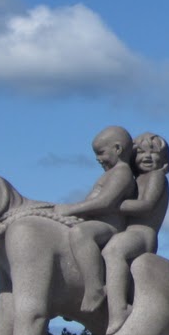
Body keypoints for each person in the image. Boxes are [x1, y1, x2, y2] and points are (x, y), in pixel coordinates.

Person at [54, 126, 138, 313]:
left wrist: (71, 209)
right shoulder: (109, 174)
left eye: (101, 153)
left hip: (109, 226)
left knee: (80, 233)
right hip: (97, 223)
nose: (97, 159)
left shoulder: (122, 172)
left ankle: (95, 288)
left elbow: (106, 202)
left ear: (118, 149)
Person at [101, 131, 169, 333]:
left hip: (143, 234)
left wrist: (111, 205)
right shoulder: (137, 179)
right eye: (140, 153)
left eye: (153, 152)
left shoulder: (156, 177)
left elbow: (146, 206)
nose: (147, 157)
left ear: (164, 158)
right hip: (130, 232)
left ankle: (119, 309)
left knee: (113, 251)